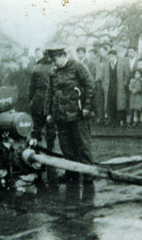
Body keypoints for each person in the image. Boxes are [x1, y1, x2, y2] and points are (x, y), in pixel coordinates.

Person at [44, 48, 95, 183]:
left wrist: (87, 107)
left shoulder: (78, 67)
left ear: (62, 56)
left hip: (77, 114)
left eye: (55, 60)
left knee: (82, 144)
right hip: (60, 115)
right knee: (65, 145)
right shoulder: (53, 72)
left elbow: (90, 85)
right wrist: (48, 112)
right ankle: (72, 172)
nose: (54, 63)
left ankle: (88, 173)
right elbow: (50, 93)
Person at [29, 52, 56, 151]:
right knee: (51, 127)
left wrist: (31, 101)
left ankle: (35, 148)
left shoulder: (36, 67)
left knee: (36, 127)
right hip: (51, 101)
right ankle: (50, 149)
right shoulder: (54, 67)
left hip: (38, 101)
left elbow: (31, 87)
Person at [102, 50, 130, 127]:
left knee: (121, 103)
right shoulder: (106, 65)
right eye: (109, 56)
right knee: (111, 103)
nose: (110, 58)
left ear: (115, 56)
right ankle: (112, 121)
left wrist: (124, 83)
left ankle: (121, 121)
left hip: (119, 86)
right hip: (110, 86)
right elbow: (104, 77)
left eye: (112, 56)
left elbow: (127, 75)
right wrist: (104, 86)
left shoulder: (122, 64)